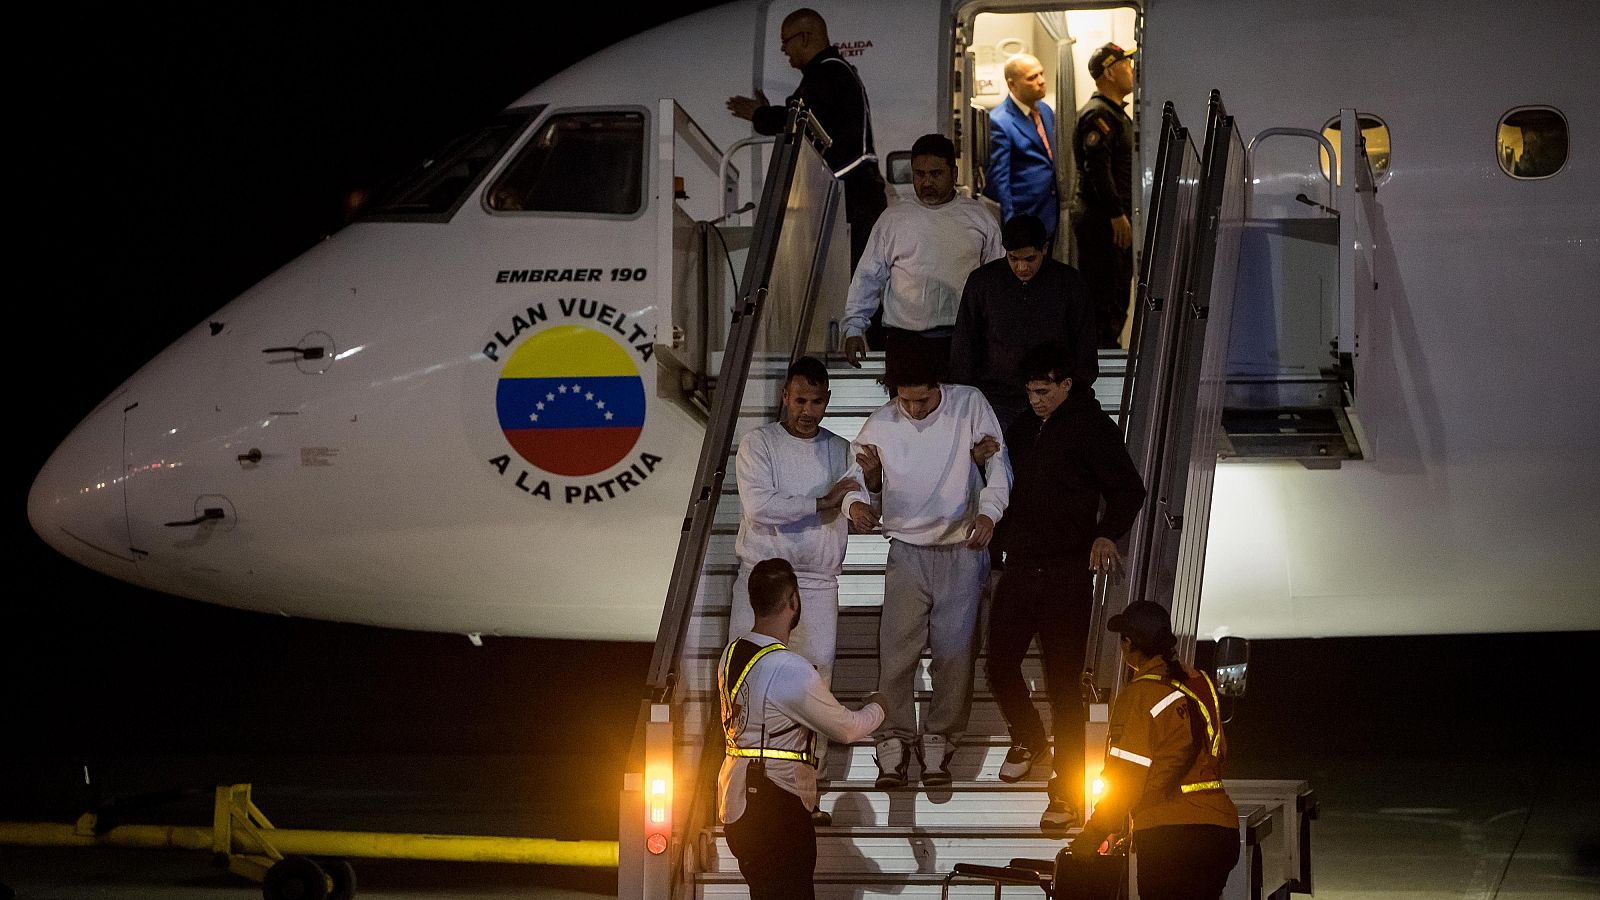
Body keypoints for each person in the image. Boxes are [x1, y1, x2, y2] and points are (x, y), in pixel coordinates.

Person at [985, 341, 1145, 832]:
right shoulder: (1024, 425)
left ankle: (1066, 793)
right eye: (1030, 391)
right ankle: (1031, 737)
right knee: (998, 664)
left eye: (1043, 391)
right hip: (1020, 566)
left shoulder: (1092, 427)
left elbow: (1129, 489)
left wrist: (1104, 532)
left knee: (1064, 688)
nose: (1035, 399)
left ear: (1067, 385)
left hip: (1065, 573)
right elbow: (1007, 483)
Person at [841, 346, 1011, 788]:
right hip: (907, 549)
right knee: (896, 652)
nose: (914, 409)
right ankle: (893, 738)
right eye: (905, 400)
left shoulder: (968, 404)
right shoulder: (881, 423)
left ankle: (941, 738)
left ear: (941, 387)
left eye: (923, 400)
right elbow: (855, 477)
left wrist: (990, 512)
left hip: (963, 547)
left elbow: (999, 465)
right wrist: (858, 502)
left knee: (956, 655)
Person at [731, 356, 858, 819]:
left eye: (818, 401)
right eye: (801, 399)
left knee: (815, 684)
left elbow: (857, 493)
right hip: (764, 579)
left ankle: (806, 795)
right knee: (748, 677)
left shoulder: (842, 449)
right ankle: (737, 790)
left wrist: (859, 504)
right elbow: (760, 506)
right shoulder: (758, 444)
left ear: (828, 400)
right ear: (785, 395)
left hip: (819, 582)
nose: (808, 409)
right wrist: (823, 502)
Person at [719, 558, 885, 900]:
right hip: (774, 808)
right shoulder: (789, 668)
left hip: (737, 800)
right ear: (793, 601)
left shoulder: (732, 653)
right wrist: (880, 706)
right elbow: (847, 729)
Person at [1070, 600, 1240, 900]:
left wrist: (1093, 835)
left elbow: (1125, 779)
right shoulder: (1200, 683)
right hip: (1220, 831)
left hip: (1171, 839)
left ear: (1129, 644)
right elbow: (1220, 753)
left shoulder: (1139, 696)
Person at [728, 8, 887, 270]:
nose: (783, 49)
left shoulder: (827, 74)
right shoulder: (832, 72)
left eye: (785, 41)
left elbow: (803, 119)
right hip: (853, 198)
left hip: (850, 201)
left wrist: (760, 114)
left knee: (852, 284)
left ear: (804, 37)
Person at [841, 133, 1004, 374]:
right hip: (905, 341)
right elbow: (868, 276)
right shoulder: (893, 219)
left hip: (963, 340)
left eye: (936, 174)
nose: (927, 182)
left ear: (954, 173)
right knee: (907, 412)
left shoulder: (979, 218)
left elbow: (997, 281)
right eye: (919, 174)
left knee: (961, 410)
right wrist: (854, 326)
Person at [948, 214, 1099, 432]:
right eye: (1013, 259)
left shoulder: (1069, 283)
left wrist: (1070, 392)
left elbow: (1084, 346)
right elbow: (965, 345)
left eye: (1030, 259)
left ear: (1044, 249)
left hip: (1055, 401)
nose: (1021, 267)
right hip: (997, 400)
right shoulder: (983, 282)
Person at [1071, 43, 1137, 349]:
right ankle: (1101, 369)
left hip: (1110, 220)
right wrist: (1116, 213)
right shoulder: (1099, 115)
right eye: (1127, 64)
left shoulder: (1114, 114)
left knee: (1116, 298)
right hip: (1102, 223)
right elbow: (1096, 167)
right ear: (1110, 71)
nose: (1132, 71)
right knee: (1105, 301)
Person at [983, 54, 1060, 247]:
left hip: (1050, 213)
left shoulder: (1045, 111)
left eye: (1041, 74)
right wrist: (1011, 229)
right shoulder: (1000, 121)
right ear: (1012, 84)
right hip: (1024, 218)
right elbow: (999, 181)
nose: (1041, 81)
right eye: (1032, 78)